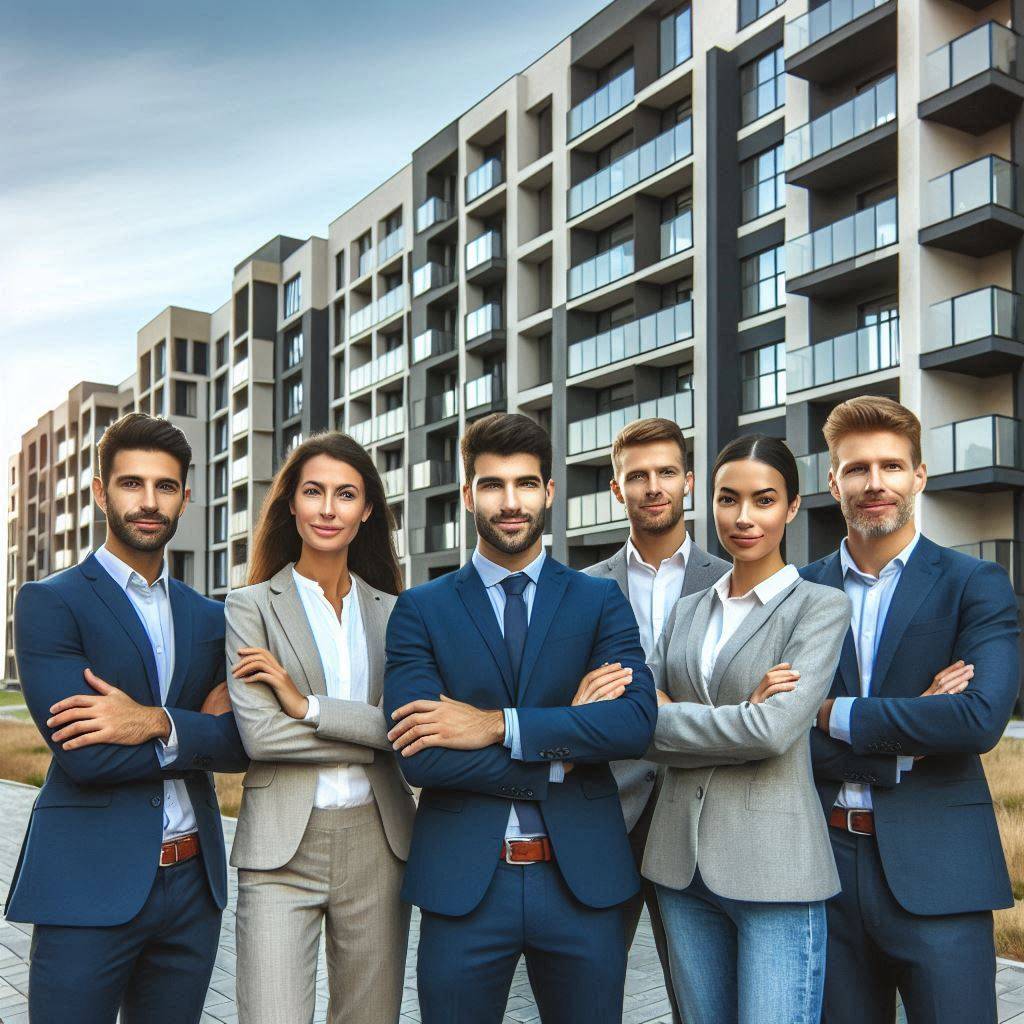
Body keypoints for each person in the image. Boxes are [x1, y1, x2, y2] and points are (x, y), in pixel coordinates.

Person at [382, 412, 657, 1024]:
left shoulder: (598, 600)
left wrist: (494, 725)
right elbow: (419, 754)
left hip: (581, 882)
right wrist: (563, 745)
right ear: (467, 494)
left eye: (526, 484)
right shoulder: (420, 611)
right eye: (493, 485)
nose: (511, 502)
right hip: (464, 888)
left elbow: (634, 725)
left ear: (549, 492)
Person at [7, 413, 248, 1024]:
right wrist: (193, 727)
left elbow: (239, 744)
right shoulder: (50, 602)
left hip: (194, 885)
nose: (148, 501)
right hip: (87, 882)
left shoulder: (209, 618)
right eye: (131, 483)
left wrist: (155, 722)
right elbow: (86, 755)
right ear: (99, 490)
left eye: (165, 486)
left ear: (186, 498)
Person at [801, 396, 1019, 1024]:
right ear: (833, 480)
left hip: (941, 868)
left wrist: (831, 713)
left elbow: (977, 720)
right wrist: (909, 726)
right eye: (858, 468)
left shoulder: (974, 584)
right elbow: (774, 734)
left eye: (892, 467)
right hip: (823, 870)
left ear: (919, 475)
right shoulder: (797, 592)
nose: (876, 484)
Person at [643, 434, 851, 1024]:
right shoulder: (686, 611)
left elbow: (772, 733)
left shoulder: (819, 606)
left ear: (790, 507)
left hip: (776, 873)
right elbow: (637, 725)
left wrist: (673, 717)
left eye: (763, 500)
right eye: (727, 499)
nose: (743, 517)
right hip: (680, 865)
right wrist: (740, 717)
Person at [225, 432, 415, 1024]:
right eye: (314, 492)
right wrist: (373, 738)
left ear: (367, 510)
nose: (328, 509)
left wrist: (305, 706)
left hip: (379, 844)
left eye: (345, 494)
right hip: (280, 848)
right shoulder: (249, 605)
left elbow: (406, 729)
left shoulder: (397, 612)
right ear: (291, 504)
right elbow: (262, 736)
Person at [583, 416, 728, 1023]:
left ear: (689, 481)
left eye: (666, 472)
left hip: (705, 817)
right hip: (607, 817)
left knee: (700, 999)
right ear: (617, 489)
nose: (652, 486)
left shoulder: (734, 580)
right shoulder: (583, 590)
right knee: (589, 994)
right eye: (636, 476)